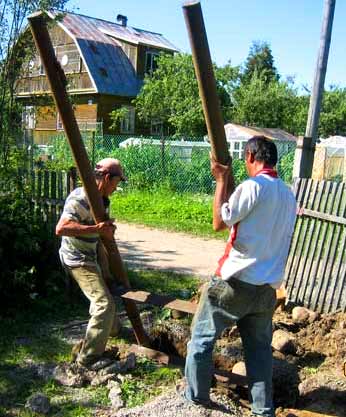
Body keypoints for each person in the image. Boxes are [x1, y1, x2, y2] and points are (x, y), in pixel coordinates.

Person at [184, 136, 297, 416]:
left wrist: (221, 181)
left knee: (200, 339)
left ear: (249, 156)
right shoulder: (288, 194)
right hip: (266, 290)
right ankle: (262, 411)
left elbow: (218, 223)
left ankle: (196, 402)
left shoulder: (252, 187)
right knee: (259, 354)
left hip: (236, 281)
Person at [56, 158, 126, 368]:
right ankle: (87, 358)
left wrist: (105, 230)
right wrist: (97, 229)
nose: (117, 186)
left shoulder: (102, 199)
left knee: (108, 292)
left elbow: (100, 230)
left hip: (93, 255)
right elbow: (61, 228)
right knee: (103, 304)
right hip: (77, 259)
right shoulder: (80, 197)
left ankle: (112, 330)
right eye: (116, 182)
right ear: (106, 178)